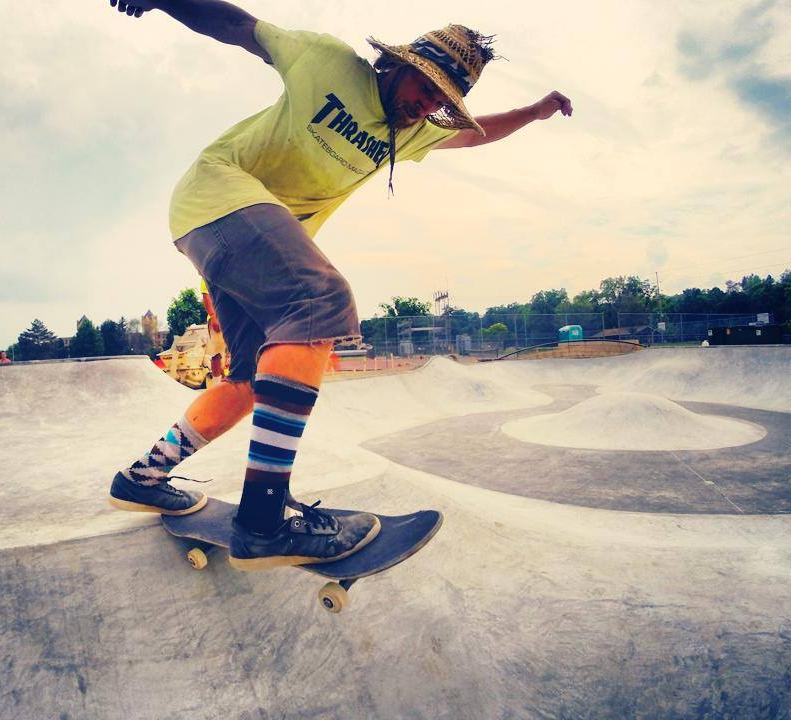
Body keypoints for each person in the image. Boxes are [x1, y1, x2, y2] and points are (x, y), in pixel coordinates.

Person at [105, 0, 572, 570]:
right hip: (218, 196)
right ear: (397, 65)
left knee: (252, 381)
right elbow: (235, 27)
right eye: (421, 87)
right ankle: (264, 521)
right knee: (320, 299)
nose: (422, 106)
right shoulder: (325, 61)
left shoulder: (413, 133)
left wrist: (536, 111)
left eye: (437, 101)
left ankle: (143, 476)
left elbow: (475, 138)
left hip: (239, 243)